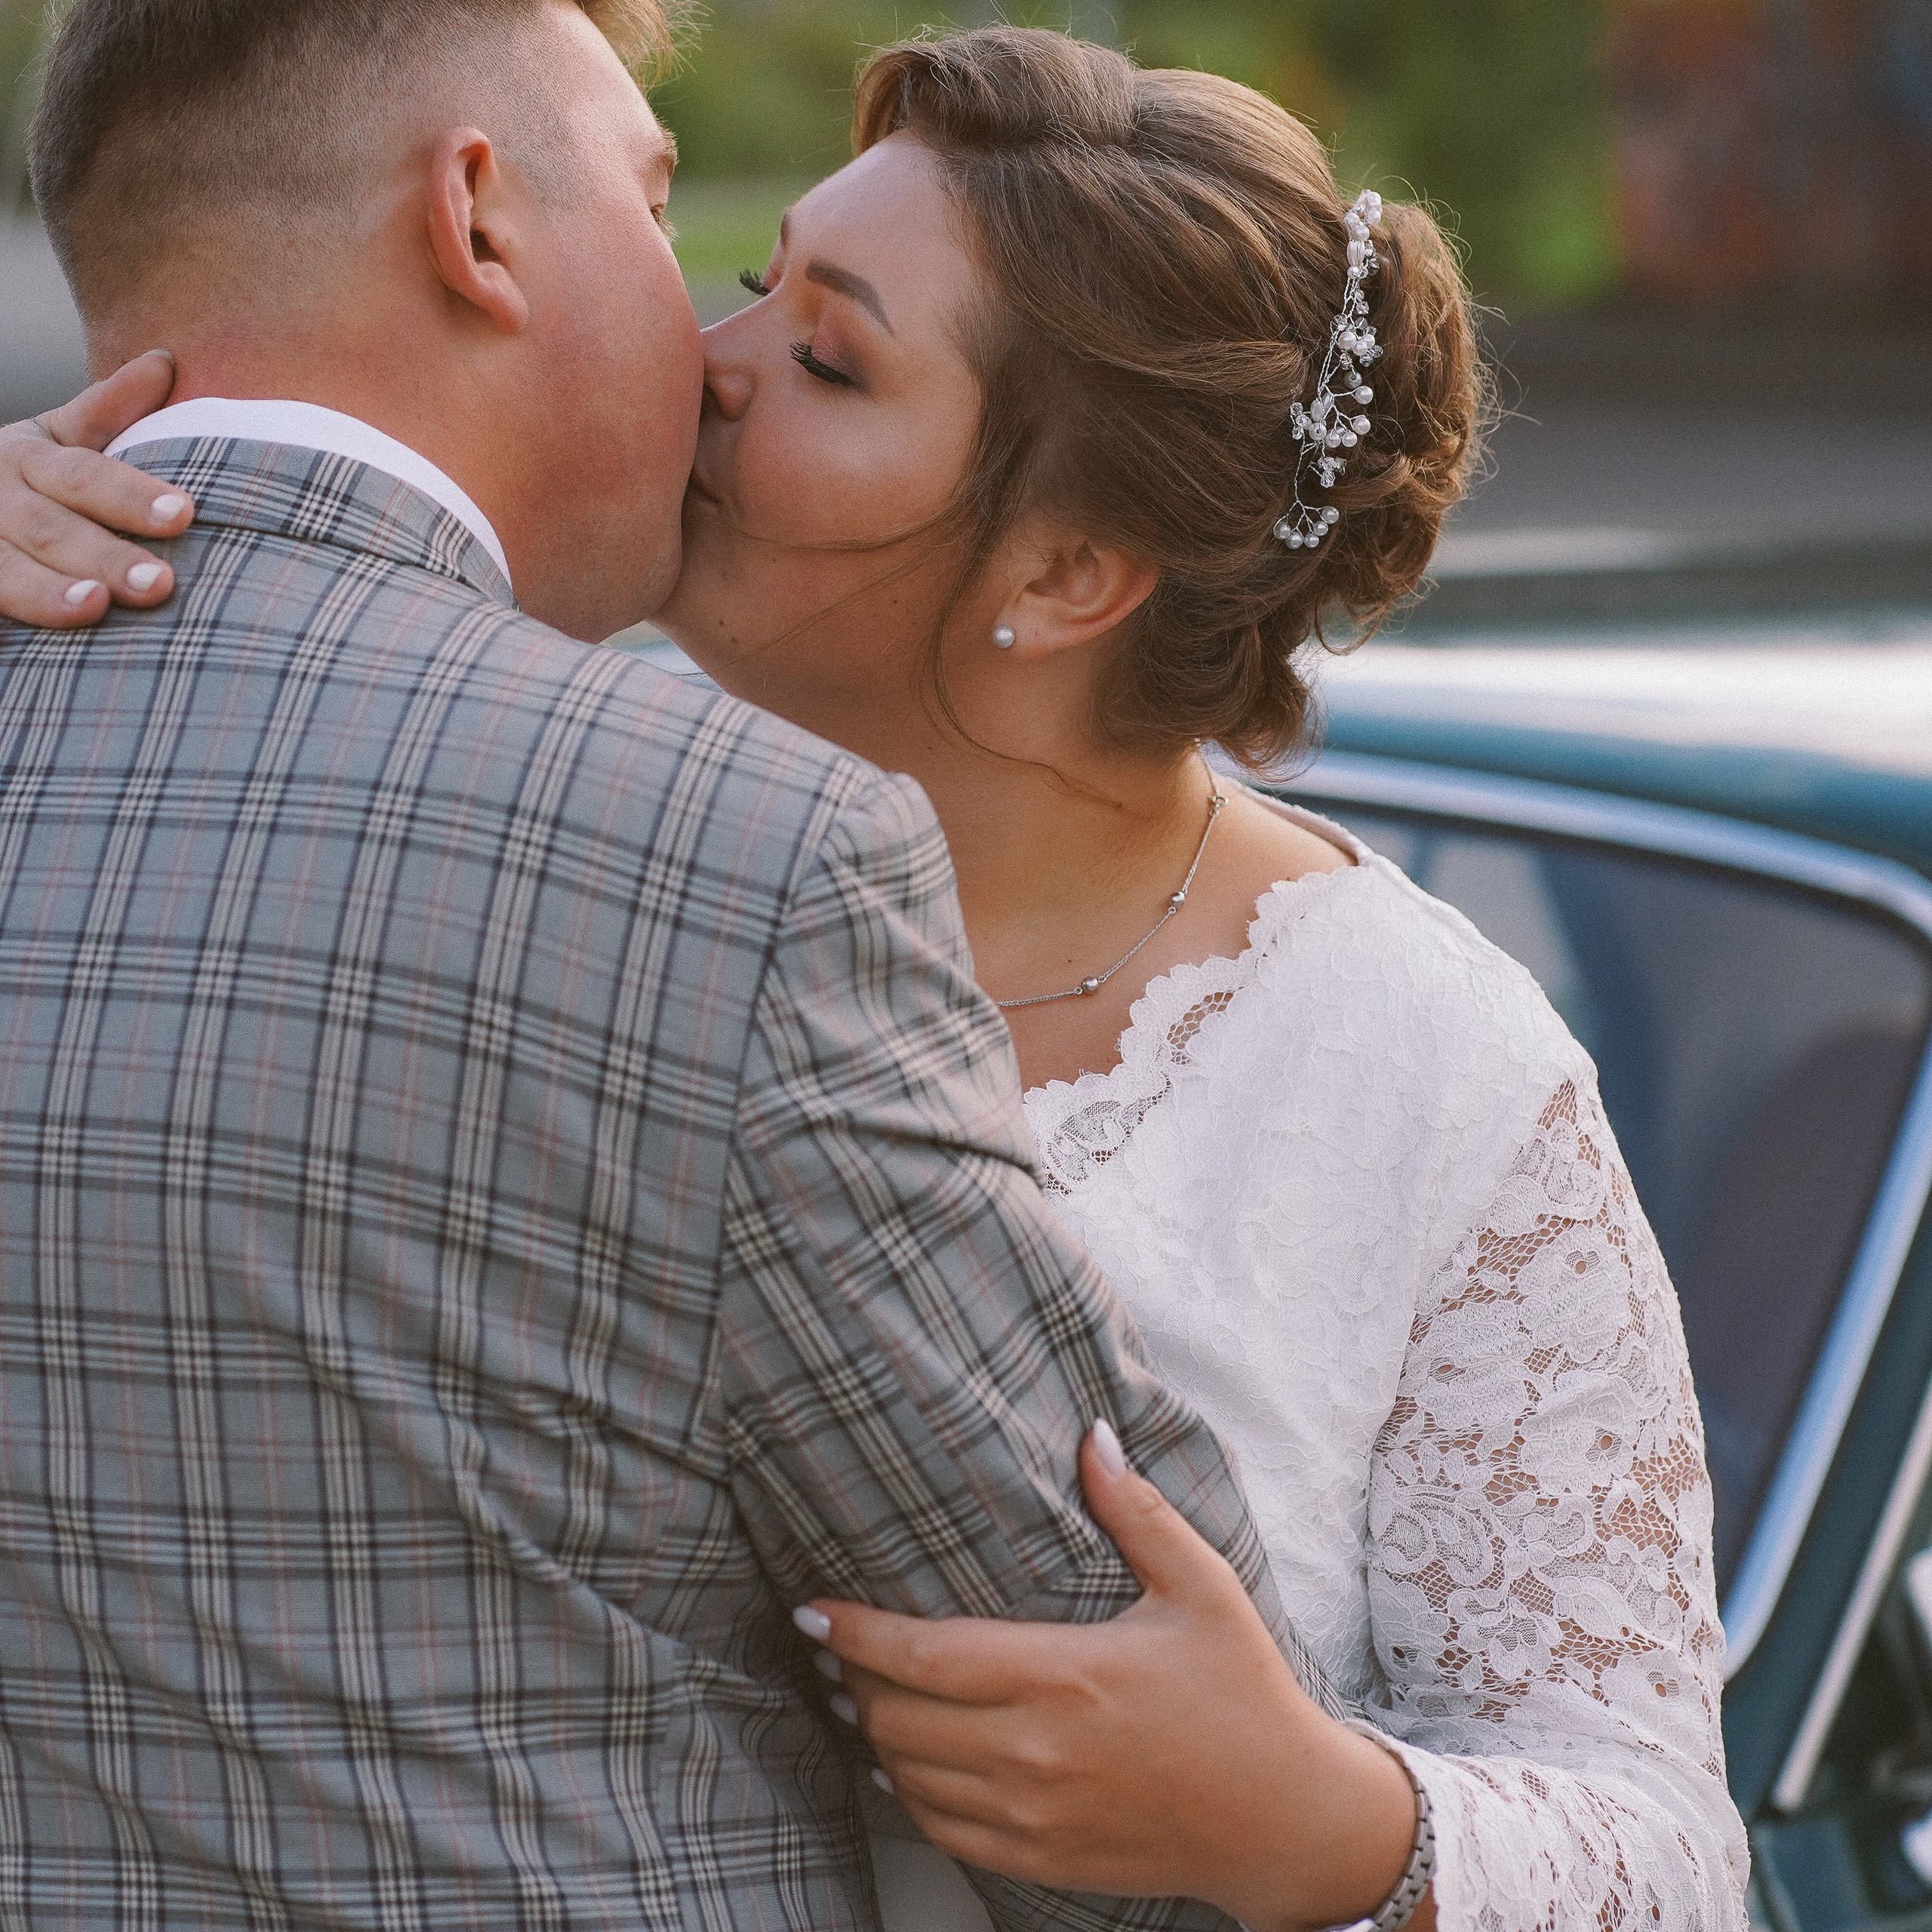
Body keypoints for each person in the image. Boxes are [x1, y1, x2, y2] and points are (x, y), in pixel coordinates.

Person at [0, 22, 1750, 1932]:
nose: (704, 361)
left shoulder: (1427, 1070)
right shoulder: (567, 845)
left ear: (1070, 571)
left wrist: (1319, 1820)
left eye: (824, 355)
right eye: (752, 284)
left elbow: (1661, 1838)